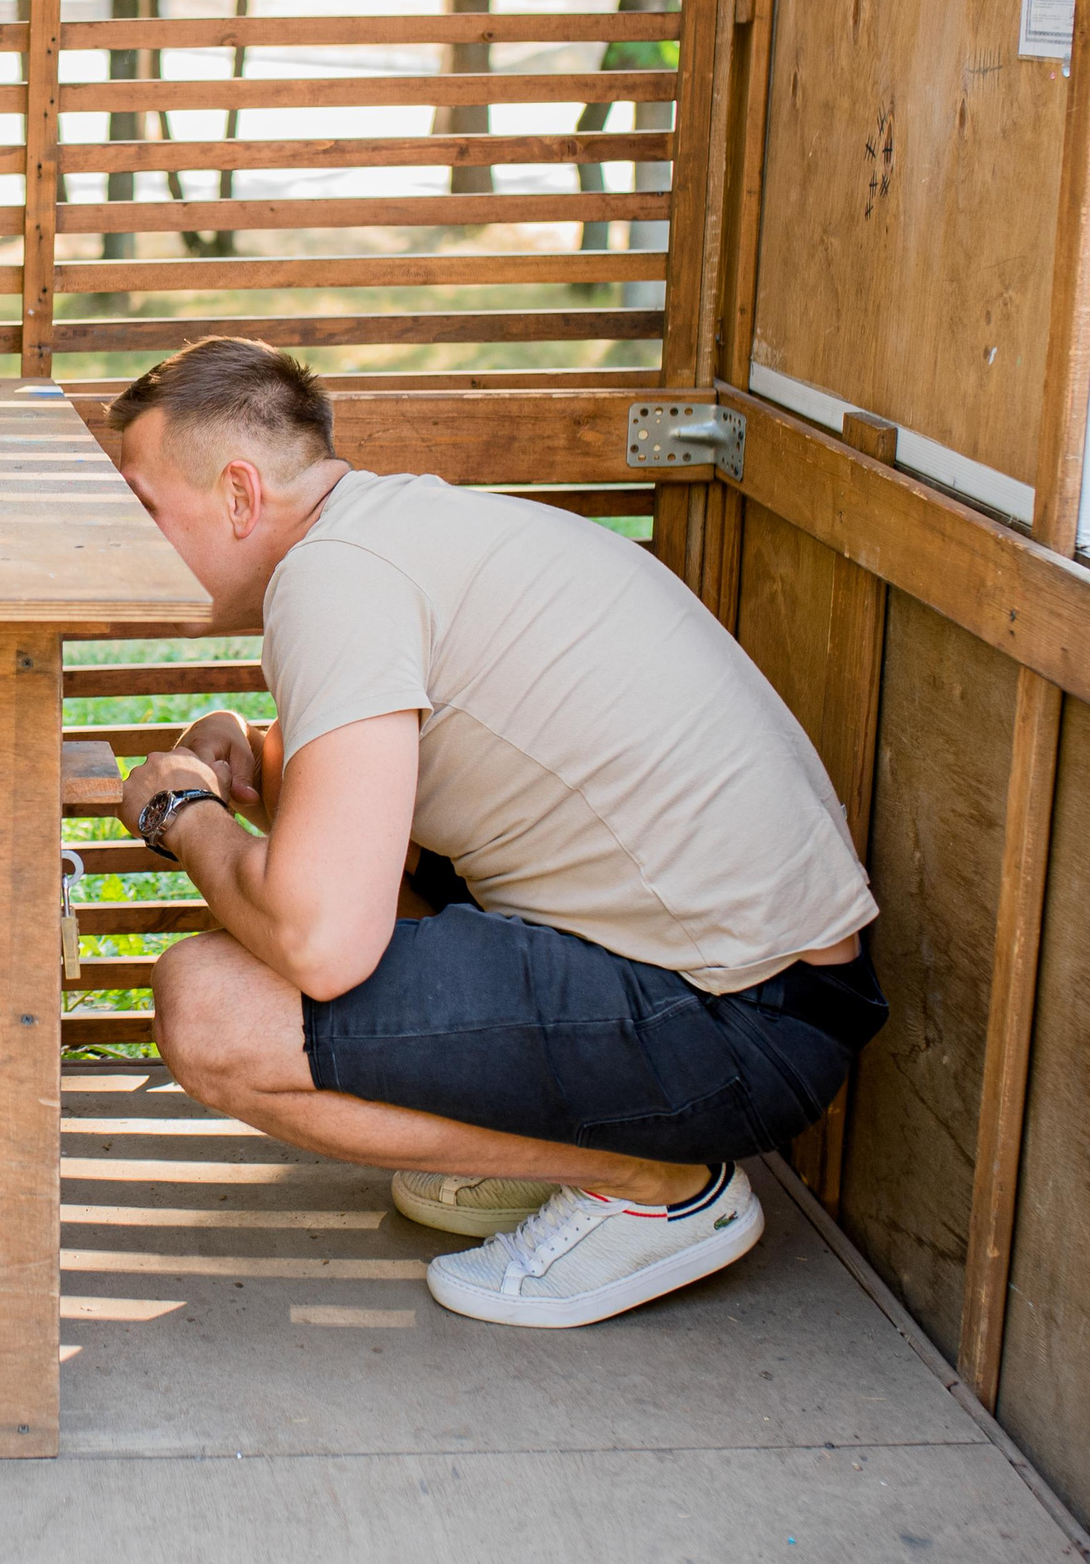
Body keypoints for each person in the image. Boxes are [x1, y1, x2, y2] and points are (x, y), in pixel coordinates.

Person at [109, 336, 887, 1328]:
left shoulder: (332, 579)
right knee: (334, 885)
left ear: (236, 494)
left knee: (208, 1006)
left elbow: (322, 940)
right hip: (780, 989)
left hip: (735, 1021)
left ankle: (658, 1182)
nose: (128, 540)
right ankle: (563, 1143)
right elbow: (401, 792)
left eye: (141, 506)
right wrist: (254, 758)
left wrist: (186, 815)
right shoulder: (398, 530)